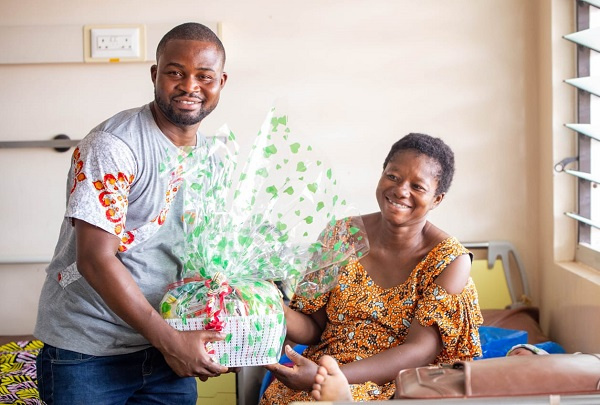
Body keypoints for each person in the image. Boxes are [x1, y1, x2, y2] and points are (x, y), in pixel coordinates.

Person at [33, 22, 229, 404]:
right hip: (88, 351)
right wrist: (172, 341)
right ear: (155, 74)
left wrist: (225, 328)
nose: (190, 86)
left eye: (204, 76)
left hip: (165, 351)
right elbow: (94, 259)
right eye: (176, 72)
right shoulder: (114, 146)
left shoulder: (213, 158)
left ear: (221, 82)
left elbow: (201, 257)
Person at [260, 133, 483, 403]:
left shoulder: (450, 260)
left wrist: (330, 377)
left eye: (418, 186)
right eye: (393, 176)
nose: (401, 190)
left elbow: (420, 350)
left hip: (399, 382)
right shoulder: (340, 235)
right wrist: (272, 304)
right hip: (326, 370)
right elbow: (313, 328)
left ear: (437, 199)